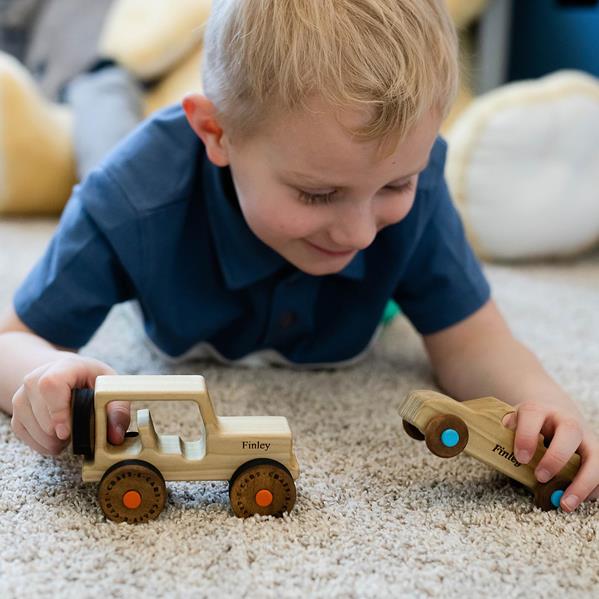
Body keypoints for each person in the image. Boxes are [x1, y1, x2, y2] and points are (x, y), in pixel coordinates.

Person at [0, 0, 597, 512]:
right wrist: (39, 378)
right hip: (150, 185)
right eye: (318, 193)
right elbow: (12, 339)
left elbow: (473, 342)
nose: (360, 232)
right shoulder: (129, 202)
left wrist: (544, 405)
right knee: (97, 123)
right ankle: (100, 82)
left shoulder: (419, 185)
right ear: (217, 133)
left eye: (395, 186)